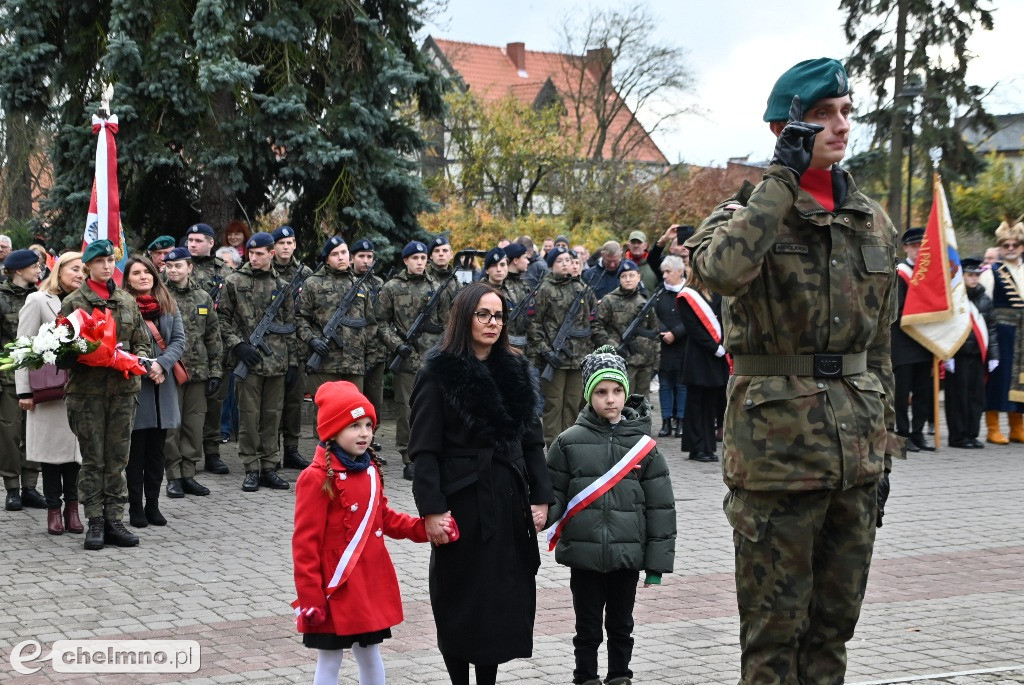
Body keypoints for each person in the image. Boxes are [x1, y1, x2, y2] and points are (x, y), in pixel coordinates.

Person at [686, 57, 902, 683]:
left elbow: (879, 349)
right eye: (822, 114)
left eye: (846, 111)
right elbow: (721, 271)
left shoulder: (872, 221)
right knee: (773, 639)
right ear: (786, 127)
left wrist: (885, 450)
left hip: (855, 456)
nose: (841, 125)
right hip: (776, 459)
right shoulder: (742, 214)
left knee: (833, 633)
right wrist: (781, 177)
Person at [408, 282, 553, 685]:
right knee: (460, 598)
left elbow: (533, 442)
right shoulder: (438, 372)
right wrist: (432, 510)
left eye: (499, 316)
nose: (493, 323)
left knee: (499, 601)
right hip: (462, 505)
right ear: (464, 318)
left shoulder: (516, 368)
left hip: (507, 503)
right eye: (483, 314)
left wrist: (541, 497)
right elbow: (424, 450)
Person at [545, 345, 676, 685]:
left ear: (626, 392)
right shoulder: (568, 442)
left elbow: (661, 507)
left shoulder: (645, 447)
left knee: (621, 625)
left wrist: (656, 565)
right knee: (587, 628)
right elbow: (554, 491)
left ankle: (620, 675)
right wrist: (541, 514)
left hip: (626, 556)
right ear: (589, 395)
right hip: (584, 555)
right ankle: (585, 676)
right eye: (601, 392)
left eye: (617, 390)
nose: (610, 399)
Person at [292, 380, 437, 685]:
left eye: (368, 425)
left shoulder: (371, 469)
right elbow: (305, 544)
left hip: (368, 581)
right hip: (336, 583)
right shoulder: (315, 478)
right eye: (354, 426)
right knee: (330, 658)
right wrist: (311, 596)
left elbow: (383, 518)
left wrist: (423, 529)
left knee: (370, 654)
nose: (364, 433)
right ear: (332, 431)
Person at [62, 239, 153, 550]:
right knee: (93, 460)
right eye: (99, 261)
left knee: (117, 459)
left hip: (123, 392)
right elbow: (61, 353)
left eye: (110, 260)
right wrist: (82, 353)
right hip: (87, 394)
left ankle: (115, 519)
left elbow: (142, 342)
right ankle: (95, 521)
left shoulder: (127, 301)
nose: (106, 265)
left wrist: (135, 359)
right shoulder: (74, 302)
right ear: (88, 265)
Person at [219, 231, 298, 493]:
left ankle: (269, 466)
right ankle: (251, 468)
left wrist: (292, 363)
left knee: (272, 417)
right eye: (251, 253)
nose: (253, 258)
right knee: (249, 418)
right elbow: (222, 320)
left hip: (276, 362)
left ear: (271, 254)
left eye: (259, 254)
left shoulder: (282, 285)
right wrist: (237, 346)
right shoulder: (233, 281)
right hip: (249, 363)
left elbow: (290, 326)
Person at [15, 252, 85, 534]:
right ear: (59, 270)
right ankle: (54, 509)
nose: (80, 274)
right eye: (75, 268)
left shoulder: (86, 301)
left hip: (81, 389)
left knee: (76, 454)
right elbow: (23, 346)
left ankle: (73, 509)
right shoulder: (38, 300)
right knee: (52, 453)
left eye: (84, 270)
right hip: (49, 390)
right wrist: (24, 391)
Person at [376, 241, 447, 480]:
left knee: (434, 407)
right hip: (406, 358)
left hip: (432, 359)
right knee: (407, 409)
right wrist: (397, 345)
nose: (420, 262)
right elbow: (381, 322)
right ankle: (409, 457)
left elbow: (446, 323)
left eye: (423, 258)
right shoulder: (391, 287)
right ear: (405, 260)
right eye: (415, 258)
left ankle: (433, 452)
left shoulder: (436, 286)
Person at [124, 257, 185, 529]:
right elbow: (121, 344)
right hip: (136, 384)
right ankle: (135, 507)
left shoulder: (168, 302)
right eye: (136, 273)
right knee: (135, 453)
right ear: (128, 279)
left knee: (157, 453)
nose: (143, 276)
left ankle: (153, 505)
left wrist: (161, 365)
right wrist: (147, 367)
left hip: (163, 383)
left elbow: (179, 340)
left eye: (147, 271)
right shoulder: (122, 305)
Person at [162, 247, 223, 499]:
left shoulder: (203, 297)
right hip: (170, 372)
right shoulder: (160, 296)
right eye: (169, 266)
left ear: (190, 268)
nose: (173, 270)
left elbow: (213, 336)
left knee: (194, 424)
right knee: (172, 427)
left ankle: (189, 473)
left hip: (198, 372)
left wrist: (216, 371)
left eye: (179, 266)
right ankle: (173, 476)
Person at [529, 246, 597, 446]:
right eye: (560, 261)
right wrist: (545, 351)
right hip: (555, 358)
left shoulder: (580, 287)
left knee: (573, 403)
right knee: (554, 404)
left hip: (578, 357)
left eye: (568, 260)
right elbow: (533, 324)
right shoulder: (545, 289)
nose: (565, 264)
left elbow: (592, 318)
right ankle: (553, 447)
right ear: (551, 265)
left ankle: (570, 445)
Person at [298, 236, 376, 395]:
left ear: (350, 256)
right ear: (326, 259)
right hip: (324, 362)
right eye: (334, 254)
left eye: (343, 252)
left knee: (354, 409)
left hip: (354, 364)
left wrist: (370, 358)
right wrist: (312, 340)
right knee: (326, 409)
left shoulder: (360, 286)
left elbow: (370, 324)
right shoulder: (312, 283)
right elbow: (300, 317)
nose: (341, 257)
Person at [184, 222, 232, 475]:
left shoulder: (225, 273)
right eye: (190, 240)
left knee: (214, 403)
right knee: (186, 406)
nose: (192, 244)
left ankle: (212, 453)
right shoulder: (179, 267)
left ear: (211, 243)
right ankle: (183, 456)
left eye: (198, 240)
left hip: (215, 347)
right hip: (185, 348)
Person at [0, 249, 44, 511]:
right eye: (35, 266)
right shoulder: (1, 297)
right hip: (8, 378)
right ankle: (12, 488)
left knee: (34, 433)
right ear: (18, 270)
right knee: (9, 434)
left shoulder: (40, 296)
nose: (39, 270)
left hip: (37, 376)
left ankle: (30, 487)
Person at [945, 257, 999, 448]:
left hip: (978, 355)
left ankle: (972, 434)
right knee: (958, 397)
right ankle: (958, 436)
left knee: (976, 397)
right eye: (970, 275)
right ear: (962, 275)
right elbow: (946, 328)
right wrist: (947, 354)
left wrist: (994, 355)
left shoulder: (985, 299)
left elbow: (991, 329)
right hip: (958, 355)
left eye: (977, 275)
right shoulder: (954, 297)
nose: (974, 278)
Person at [677, 269, 729, 462]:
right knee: (696, 403)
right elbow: (694, 328)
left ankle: (708, 446)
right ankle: (696, 447)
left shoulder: (719, 293)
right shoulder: (688, 295)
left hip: (717, 356)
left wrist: (724, 345)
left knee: (711, 403)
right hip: (699, 357)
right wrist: (714, 347)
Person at [273, 225, 314, 469]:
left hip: (299, 346)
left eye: (290, 243)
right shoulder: (266, 270)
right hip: (273, 346)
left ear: (295, 245)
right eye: (281, 243)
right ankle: (271, 451)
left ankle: (291, 449)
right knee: (273, 402)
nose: (286, 247)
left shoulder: (305, 273)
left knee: (294, 401)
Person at [980, 220, 1024, 443]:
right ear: (1000, 247)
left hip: (1022, 333)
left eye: (1015, 244)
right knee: (999, 377)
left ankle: (1017, 426)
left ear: (1022, 247)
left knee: (1020, 379)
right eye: (1006, 245)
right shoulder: (991, 272)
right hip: (1001, 331)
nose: (1011, 248)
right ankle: (993, 427)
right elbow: (984, 305)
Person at [892, 227, 935, 452]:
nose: (919, 250)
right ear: (906, 248)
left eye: (922, 246)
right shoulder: (901, 273)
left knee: (923, 392)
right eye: (914, 246)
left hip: (925, 341)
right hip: (903, 341)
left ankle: (918, 435)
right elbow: (897, 310)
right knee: (902, 393)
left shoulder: (930, 273)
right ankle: (903, 434)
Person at [592, 260, 660, 400]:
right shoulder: (609, 300)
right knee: (623, 401)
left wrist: (656, 362)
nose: (628, 279)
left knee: (642, 403)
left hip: (645, 361)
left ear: (638, 277)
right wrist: (614, 347)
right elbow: (597, 327)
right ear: (619, 279)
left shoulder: (644, 301)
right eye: (624, 276)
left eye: (631, 275)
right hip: (622, 360)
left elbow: (654, 332)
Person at [351, 239, 386, 452]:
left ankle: (370, 436)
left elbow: (382, 318)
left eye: (369, 257)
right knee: (355, 399)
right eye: (361, 256)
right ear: (352, 258)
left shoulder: (379, 284)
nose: (366, 261)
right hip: (352, 351)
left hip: (376, 350)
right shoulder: (348, 281)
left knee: (374, 398)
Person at [654, 255, 688, 438]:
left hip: (683, 344)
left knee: (682, 384)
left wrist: (676, 333)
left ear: (680, 272)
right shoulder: (660, 292)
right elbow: (652, 315)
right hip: (664, 344)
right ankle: (666, 421)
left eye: (668, 272)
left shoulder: (689, 292)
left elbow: (693, 317)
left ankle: (681, 421)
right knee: (665, 384)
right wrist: (663, 331)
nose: (664, 276)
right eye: (663, 272)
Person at [427, 235, 461, 315]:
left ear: (451, 254)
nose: (441, 254)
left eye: (445, 250)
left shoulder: (456, 282)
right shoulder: (424, 278)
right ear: (431, 256)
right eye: (436, 251)